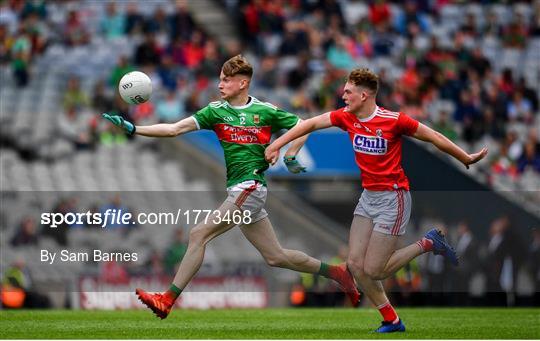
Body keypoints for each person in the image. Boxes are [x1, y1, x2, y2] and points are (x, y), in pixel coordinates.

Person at [101, 55, 359, 319]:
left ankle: (167, 299)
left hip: (251, 187)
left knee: (199, 234)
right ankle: (337, 272)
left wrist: (290, 154)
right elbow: (174, 129)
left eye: (226, 80)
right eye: (220, 79)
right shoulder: (215, 111)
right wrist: (134, 128)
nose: (220, 84)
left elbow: (304, 127)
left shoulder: (264, 111)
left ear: (243, 83)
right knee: (276, 257)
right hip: (240, 190)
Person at [265, 68, 488, 333]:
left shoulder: (394, 121)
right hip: (368, 197)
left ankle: (428, 242)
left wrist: (464, 157)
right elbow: (310, 124)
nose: (343, 95)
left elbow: (433, 137)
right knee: (355, 265)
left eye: (348, 91)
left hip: (394, 198)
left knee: (375, 270)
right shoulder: (346, 117)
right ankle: (392, 320)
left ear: (364, 94)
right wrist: (277, 144)